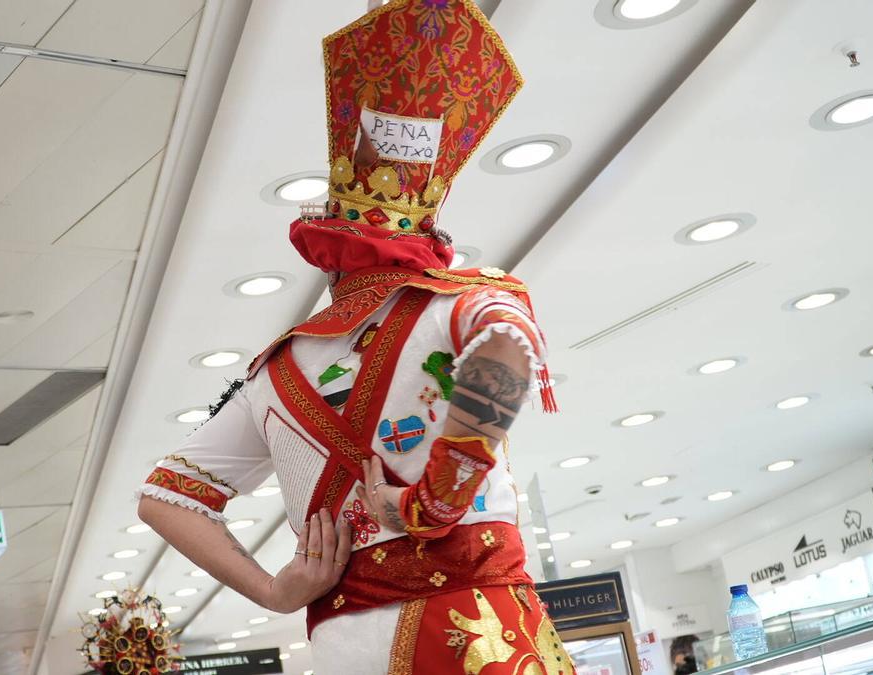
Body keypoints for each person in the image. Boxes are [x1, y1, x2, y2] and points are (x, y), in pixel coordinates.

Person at [138, 1, 574, 672]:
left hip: (345, 646)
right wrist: (431, 503)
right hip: (478, 630)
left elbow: (165, 497)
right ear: (427, 234)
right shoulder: (459, 304)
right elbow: (508, 350)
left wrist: (277, 591)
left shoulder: (270, 374)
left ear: (330, 250)